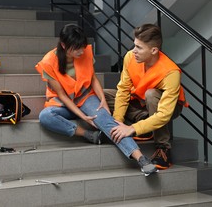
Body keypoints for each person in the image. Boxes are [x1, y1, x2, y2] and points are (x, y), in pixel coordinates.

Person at [35, 23, 158, 176]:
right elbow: (61, 95)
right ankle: (88, 135)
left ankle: (141, 159)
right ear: (64, 45)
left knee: (105, 119)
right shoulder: (48, 62)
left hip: (85, 97)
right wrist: (83, 117)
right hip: (63, 103)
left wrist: (103, 102)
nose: (81, 51)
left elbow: (92, 78)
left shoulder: (85, 51)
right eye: (76, 48)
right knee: (45, 116)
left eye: (82, 46)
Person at [104, 23, 188, 170]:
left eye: (139, 47)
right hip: (140, 101)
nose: (133, 51)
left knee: (151, 94)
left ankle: (163, 148)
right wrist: (118, 121)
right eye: (134, 45)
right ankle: (144, 121)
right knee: (104, 94)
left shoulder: (171, 72)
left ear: (154, 50)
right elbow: (123, 90)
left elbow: (164, 115)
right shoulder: (130, 57)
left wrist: (132, 129)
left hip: (168, 108)